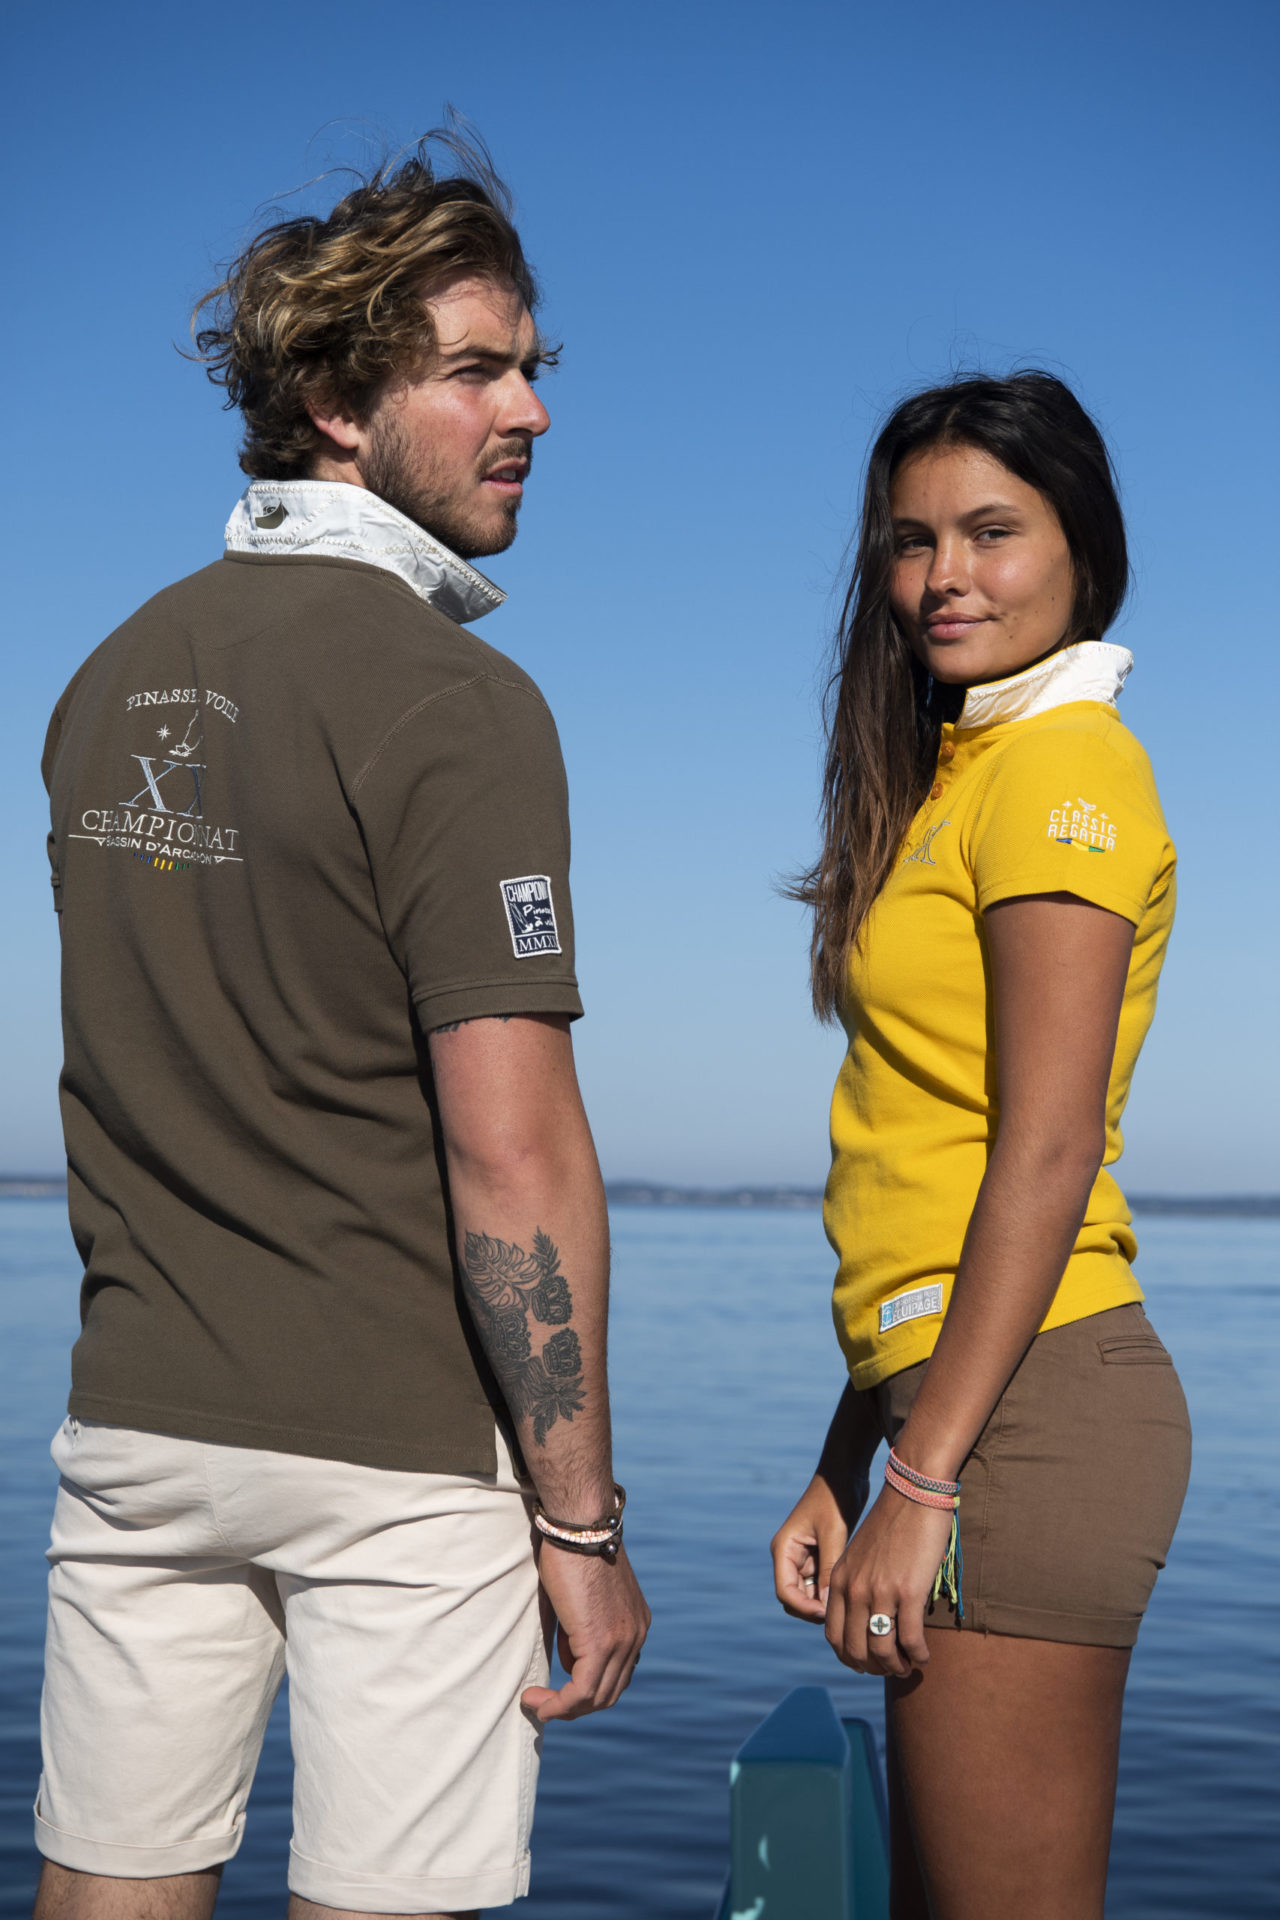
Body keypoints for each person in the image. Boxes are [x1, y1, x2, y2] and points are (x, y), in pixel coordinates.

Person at [36, 129, 647, 1920]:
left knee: (109, 1886)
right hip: (395, 1457)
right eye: (476, 371)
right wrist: (582, 1525)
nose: (532, 409)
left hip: (138, 1434)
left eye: (533, 365)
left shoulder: (103, 681)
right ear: (334, 402)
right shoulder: (458, 704)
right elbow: (513, 1155)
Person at [771, 372, 1190, 1920]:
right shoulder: (968, 769)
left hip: (1029, 1414)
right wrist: (853, 1455)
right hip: (958, 1398)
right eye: (913, 540)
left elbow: (1048, 1148)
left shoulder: (1065, 764)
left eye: (993, 532)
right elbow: (928, 1164)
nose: (945, 575)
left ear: (1085, 548)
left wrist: (924, 1475)